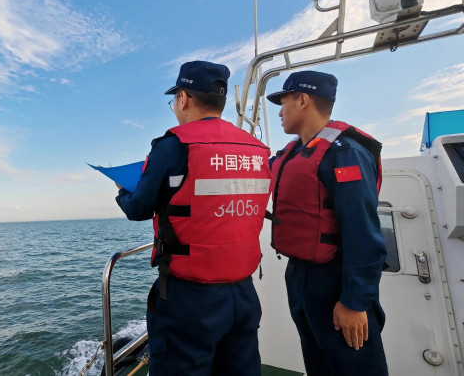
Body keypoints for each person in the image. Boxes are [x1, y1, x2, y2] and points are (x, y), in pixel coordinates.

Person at [115, 60, 272, 375]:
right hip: (242, 293)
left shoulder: (173, 146)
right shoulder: (257, 150)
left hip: (190, 298)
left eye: (175, 99)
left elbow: (139, 208)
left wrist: (122, 192)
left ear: (183, 98)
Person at [266, 70, 388, 375]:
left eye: (283, 103)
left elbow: (362, 231)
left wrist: (355, 302)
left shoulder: (345, 153)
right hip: (301, 277)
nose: (280, 112)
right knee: (319, 364)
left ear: (303, 100)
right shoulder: (293, 153)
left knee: (352, 366)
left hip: (335, 281)